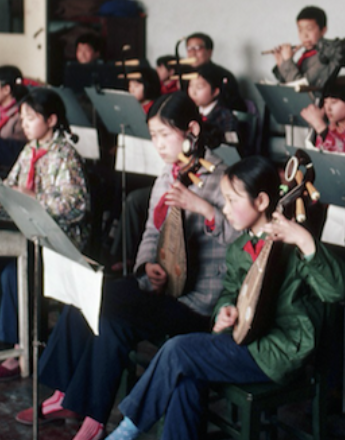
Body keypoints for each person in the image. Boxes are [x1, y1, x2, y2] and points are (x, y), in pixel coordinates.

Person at [15, 92, 238, 440]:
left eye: (165, 135)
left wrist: (205, 209)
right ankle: (68, 396)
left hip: (196, 301)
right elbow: (151, 231)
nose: (158, 144)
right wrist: (147, 264)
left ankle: (91, 416)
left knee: (108, 315)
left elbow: (242, 241)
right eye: (153, 136)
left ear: (192, 130)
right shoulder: (169, 173)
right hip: (161, 286)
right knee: (86, 298)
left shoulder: (223, 179)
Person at [105, 155, 345, 440]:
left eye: (233, 200)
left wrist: (305, 241)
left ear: (261, 201)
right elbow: (229, 293)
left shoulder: (293, 246)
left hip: (277, 352)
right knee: (187, 378)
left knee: (177, 350)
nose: (225, 208)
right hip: (243, 340)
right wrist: (225, 310)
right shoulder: (239, 248)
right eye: (224, 199)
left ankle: (126, 430)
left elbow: (340, 290)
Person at [0, 88, 90, 381]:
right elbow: (12, 182)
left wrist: (34, 198)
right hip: (29, 234)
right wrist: (2, 191)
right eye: (22, 118)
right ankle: (3, 338)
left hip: (59, 239)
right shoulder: (30, 149)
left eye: (31, 118)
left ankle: (20, 349)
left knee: (14, 274)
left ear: (51, 120)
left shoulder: (65, 154)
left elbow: (77, 205)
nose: (24, 124)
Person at [271, 5, 345, 90]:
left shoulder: (325, 56)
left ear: (323, 30)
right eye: (300, 30)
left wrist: (288, 61)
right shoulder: (307, 55)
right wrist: (281, 63)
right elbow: (288, 82)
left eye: (309, 29)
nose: (304, 35)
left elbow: (300, 87)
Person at [184, 32, 247, 111]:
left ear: (209, 52)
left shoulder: (222, 75)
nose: (193, 53)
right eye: (189, 49)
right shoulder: (184, 74)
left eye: (198, 48)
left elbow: (233, 106)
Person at [189, 63, 238, 145]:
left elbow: (232, 144)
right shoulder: (191, 112)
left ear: (215, 91)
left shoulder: (226, 117)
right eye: (190, 86)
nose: (193, 92)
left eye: (199, 87)